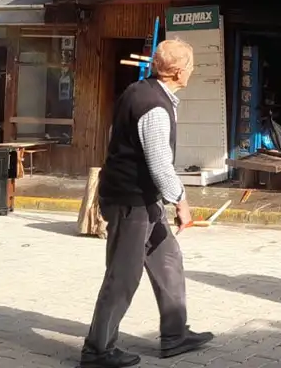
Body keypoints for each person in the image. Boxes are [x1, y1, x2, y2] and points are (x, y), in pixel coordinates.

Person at [81, 39, 213, 368]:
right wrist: (181, 201)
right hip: (131, 200)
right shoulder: (154, 106)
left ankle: (174, 334)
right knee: (123, 275)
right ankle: (97, 350)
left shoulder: (139, 90)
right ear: (180, 71)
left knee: (168, 258)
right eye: (192, 66)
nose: (193, 72)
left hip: (142, 196)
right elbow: (159, 164)